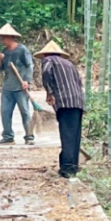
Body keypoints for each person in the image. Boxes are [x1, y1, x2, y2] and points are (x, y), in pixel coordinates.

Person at [36, 41, 84, 178]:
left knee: (67, 134)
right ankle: (73, 166)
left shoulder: (48, 60)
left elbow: (46, 74)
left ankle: (67, 168)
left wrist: (49, 92)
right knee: (75, 135)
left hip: (64, 101)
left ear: (45, 53)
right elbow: (78, 83)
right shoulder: (69, 64)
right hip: (78, 101)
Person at [0, 23, 34, 145]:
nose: (2, 40)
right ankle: (8, 136)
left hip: (20, 87)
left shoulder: (22, 50)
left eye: (4, 37)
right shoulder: (4, 51)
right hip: (7, 87)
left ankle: (29, 136)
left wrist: (27, 81)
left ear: (11, 37)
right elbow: (1, 69)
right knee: (5, 111)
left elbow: (30, 65)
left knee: (25, 112)